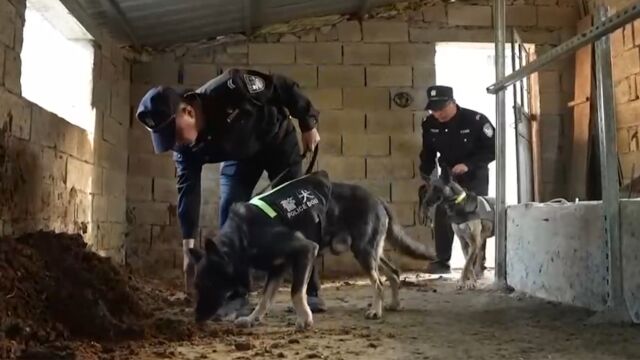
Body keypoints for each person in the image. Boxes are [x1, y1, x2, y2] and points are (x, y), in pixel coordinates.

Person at [135, 68, 327, 315]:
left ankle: (310, 290)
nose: (175, 144)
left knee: (296, 213)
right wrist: (187, 249)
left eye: (174, 135)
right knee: (230, 214)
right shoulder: (184, 148)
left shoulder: (231, 87)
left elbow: (281, 86)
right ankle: (236, 293)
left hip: (277, 141)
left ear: (188, 111)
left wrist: (307, 122)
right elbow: (188, 191)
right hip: (241, 156)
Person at [419, 85, 496, 274]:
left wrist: (469, 164)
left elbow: (493, 149)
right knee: (443, 214)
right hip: (447, 177)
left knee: (474, 218)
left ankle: (477, 264)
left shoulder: (476, 121)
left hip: (473, 176)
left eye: (441, 109)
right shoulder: (430, 124)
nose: (438, 114)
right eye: (433, 110)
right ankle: (442, 261)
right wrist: (426, 173)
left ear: (453, 103)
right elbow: (428, 152)